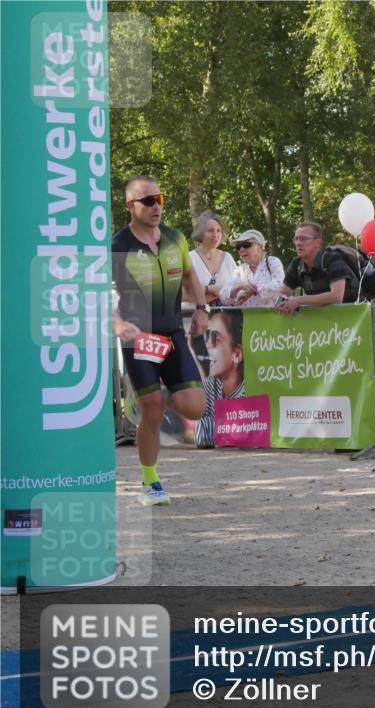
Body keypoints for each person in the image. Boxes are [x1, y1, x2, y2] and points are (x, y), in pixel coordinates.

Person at [112, 175, 208, 506]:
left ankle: (148, 399)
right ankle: (150, 483)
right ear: (131, 206)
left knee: (196, 407)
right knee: (152, 410)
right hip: (139, 338)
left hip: (172, 334)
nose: (156, 207)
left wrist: (201, 308)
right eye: (148, 201)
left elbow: (190, 275)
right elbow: (96, 290)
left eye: (160, 199)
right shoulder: (118, 246)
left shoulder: (175, 238)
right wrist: (117, 322)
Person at [276, 222, 357, 315]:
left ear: (317, 242)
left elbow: (336, 297)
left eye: (303, 239)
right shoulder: (296, 264)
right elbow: (283, 293)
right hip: (322, 320)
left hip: (351, 317)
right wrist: (284, 303)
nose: (298, 243)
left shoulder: (333, 259)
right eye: (296, 239)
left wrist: (298, 300)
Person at [194, 310, 245, 448]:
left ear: (237, 354)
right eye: (207, 336)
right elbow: (203, 437)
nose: (208, 344)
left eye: (215, 339)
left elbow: (244, 434)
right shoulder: (211, 384)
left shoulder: (250, 391)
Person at [221, 229, 285, 307]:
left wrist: (254, 291)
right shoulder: (240, 270)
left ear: (260, 247)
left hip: (271, 314)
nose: (241, 249)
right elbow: (223, 297)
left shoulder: (272, 262)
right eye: (238, 247)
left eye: (246, 245)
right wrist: (239, 287)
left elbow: (280, 286)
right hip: (246, 315)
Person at [186, 211, 237, 305]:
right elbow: (181, 293)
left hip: (226, 314)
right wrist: (210, 290)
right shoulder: (189, 258)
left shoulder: (228, 258)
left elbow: (236, 291)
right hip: (195, 313)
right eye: (210, 230)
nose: (215, 235)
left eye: (218, 231)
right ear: (200, 233)